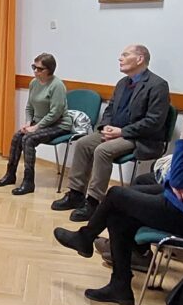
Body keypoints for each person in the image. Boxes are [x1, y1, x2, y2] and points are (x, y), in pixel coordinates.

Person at [53, 82, 183, 305]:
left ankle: (89, 243)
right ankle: (118, 282)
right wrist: (178, 182)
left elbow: (180, 175)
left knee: (116, 196)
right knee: (120, 209)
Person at [51, 44, 170, 221]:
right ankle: (76, 194)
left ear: (139, 59)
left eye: (125, 55)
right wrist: (105, 126)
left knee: (102, 150)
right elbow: (110, 109)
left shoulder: (158, 85)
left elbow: (154, 121)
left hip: (139, 137)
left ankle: (93, 202)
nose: (119, 58)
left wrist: (122, 132)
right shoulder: (122, 83)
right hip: (115, 131)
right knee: (83, 143)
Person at [0, 52, 72, 195]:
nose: (35, 71)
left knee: (29, 139)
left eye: (39, 69)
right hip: (39, 122)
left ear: (49, 70)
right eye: (34, 67)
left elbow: (55, 113)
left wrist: (36, 127)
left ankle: (28, 182)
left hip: (59, 124)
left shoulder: (57, 85)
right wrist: (27, 123)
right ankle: (10, 174)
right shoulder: (33, 83)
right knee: (17, 137)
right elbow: (29, 106)